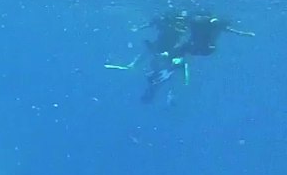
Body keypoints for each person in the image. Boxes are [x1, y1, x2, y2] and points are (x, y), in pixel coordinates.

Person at [105, 9, 253, 104]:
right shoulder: (188, 23)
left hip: (172, 50)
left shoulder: (188, 22)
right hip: (173, 50)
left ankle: (157, 83)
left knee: (171, 61)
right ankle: (158, 83)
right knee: (172, 62)